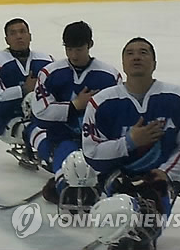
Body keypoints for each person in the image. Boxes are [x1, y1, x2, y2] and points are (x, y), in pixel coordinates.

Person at [82, 37, 180, 249]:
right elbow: (92, 152)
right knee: (120, 224)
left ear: (154, 62)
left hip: (159, 183)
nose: (136, 57)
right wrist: (129, 142)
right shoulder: (102, 102)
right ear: (123, 63)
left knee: (143, 232)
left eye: (143, 52)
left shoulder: (178, 98)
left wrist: (166, 173)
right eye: (130, 53)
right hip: (116, 178)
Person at [31, 21, 122, 203]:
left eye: (79, 49)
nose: (73, 54)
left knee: (107, 168)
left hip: (97, 142)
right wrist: (74, 106)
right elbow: (40, 113)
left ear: (90, 44)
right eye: (69, 49)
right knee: (65, 155)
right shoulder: (50, 73)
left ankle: (114, 191)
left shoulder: (109, 75)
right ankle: (64, 187)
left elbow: (119, 116)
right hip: (61, 139)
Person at [0, 18, 53, 166]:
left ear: (30, 36)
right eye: (13, 33)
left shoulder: (47, 60)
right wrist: (23, 90)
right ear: (7, 40)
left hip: (42, 115)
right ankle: (51, 156)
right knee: (38, 130)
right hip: (8, 120)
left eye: (22, 32)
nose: (19, 36)